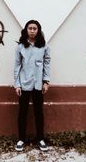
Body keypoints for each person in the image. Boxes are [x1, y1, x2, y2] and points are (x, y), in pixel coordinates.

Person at [13, 20, 51, 152]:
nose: (32, 31)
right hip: (24, 84)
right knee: (22, 112)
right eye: (30, 28)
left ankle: (40, 139)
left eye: (35, 28)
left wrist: (46, 81)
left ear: (38, 30)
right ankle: (21, 139)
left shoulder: (44, 45)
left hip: (38, 84)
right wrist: (17, 84)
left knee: (38, 112)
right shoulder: (21, 47)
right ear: (26, 30)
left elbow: (47, 63)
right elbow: (17, 65)